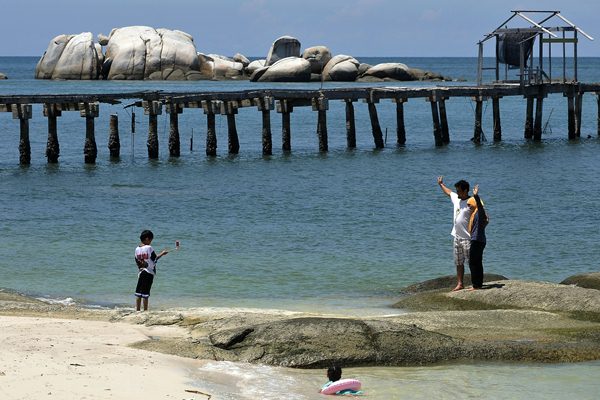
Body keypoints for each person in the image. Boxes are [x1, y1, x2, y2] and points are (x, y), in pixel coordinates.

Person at [437, 176, 472, 291]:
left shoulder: (471, 202)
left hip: (468, 237)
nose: (457, 192)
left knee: (471, 262)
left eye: (459, 190)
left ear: (465, 190)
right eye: (456, 190)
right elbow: (449, 193)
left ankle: (475, 283)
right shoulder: (457, 199)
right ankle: (460, 283)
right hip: (456, 236)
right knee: (458, 262)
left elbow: (481, 214)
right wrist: (441, 184)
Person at [134, 230, 168, 311]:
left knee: (138, 293)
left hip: (141, 272)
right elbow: (154, 258)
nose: (150, 242)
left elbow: (137, 261)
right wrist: (162, 254)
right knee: (145, 294)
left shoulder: (137, 249)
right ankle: (145, 311)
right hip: (149, 272)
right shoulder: (149, 248)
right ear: (147, 239)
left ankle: (137, 310)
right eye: (150, 240)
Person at [467, 184, 488, 290]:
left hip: (477, 240)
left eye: (469, 204)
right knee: (477, 262)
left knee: (473, 262)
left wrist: (476, 196)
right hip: (479, 240)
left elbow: (480, 206)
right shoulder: (474, 214)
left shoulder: (479, 213)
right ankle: (478, 284)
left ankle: (476, 285)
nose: (468, 206)